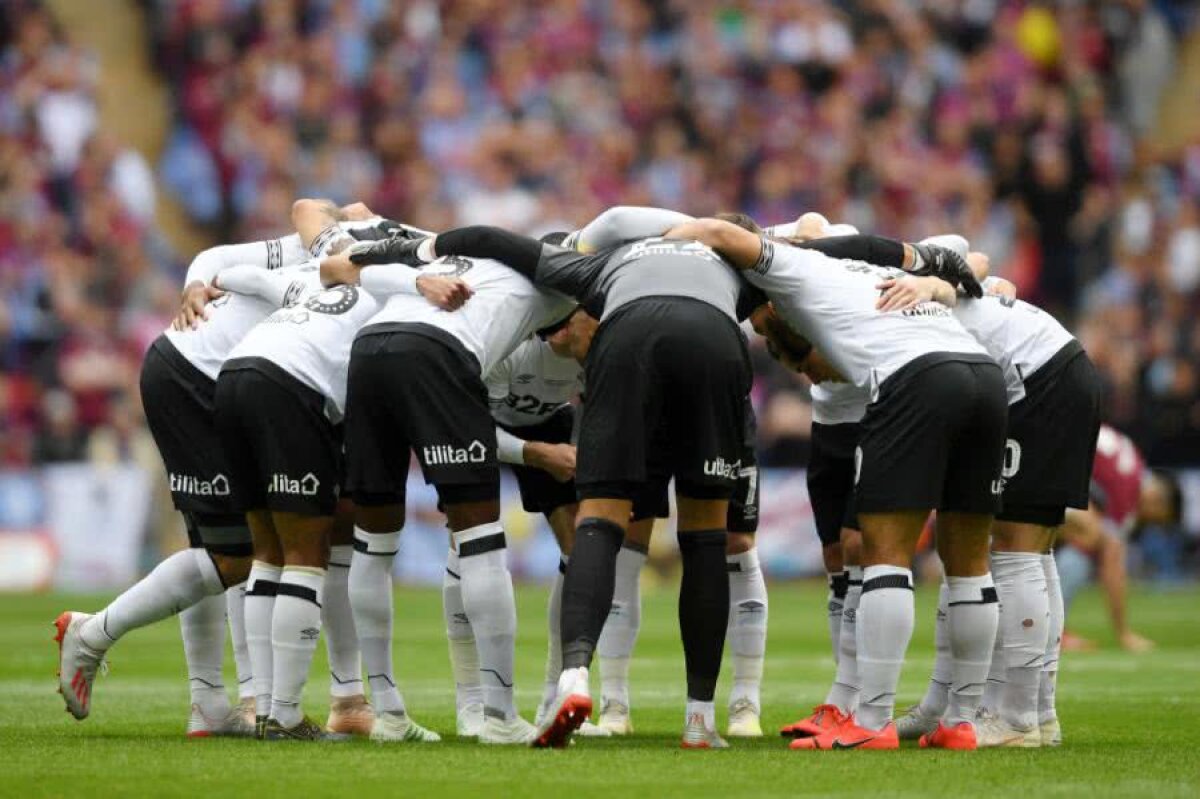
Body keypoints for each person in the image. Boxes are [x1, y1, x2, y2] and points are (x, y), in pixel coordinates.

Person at [660, 217, 1006, 751]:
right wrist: (938, 284)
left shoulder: (798, 266)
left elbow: (718, 231)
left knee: (883, 556)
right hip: (983, 377)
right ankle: (962, 722)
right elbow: (964, 258)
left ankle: (869, 723)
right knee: (968, 563)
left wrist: (657, 254)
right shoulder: (873, 263)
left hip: (917, 380)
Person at [53, 204, 369, 735]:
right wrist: (195, 282)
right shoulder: (320, 248)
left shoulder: (349, 258)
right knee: (239, 554)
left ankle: (209, 703)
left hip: (211, 374)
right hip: (198, 376)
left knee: (225, 545)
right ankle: (94, 632)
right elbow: (216, 256)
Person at [320, 237, 575, 745]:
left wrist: (413, 270)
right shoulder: (565, 284)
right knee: (481, 541)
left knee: (373, 546)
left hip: (369, 351)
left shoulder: (450, 258)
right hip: (436, 353)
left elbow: (334, 265)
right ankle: (500, 717)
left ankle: (388, 714)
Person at [213, 232, 458, 741]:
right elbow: (381, 274)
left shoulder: (309, 283)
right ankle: (283, 716)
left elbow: (244, 276)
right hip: (290, 385)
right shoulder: (395, 291)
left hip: (235, 376)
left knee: (267, 551)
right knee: (307, 553)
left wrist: (203, 282)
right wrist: (423, 279)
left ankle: (262, 705)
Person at [883, 247, 1102, 749]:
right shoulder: (928, 287)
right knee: (1032, 549)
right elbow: (986, 277)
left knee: (1014, 548)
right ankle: (1037, 713)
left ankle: (1018, 718)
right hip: (1057, 368)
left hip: (1039, 381)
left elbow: (961, 280)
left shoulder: (900, 303)